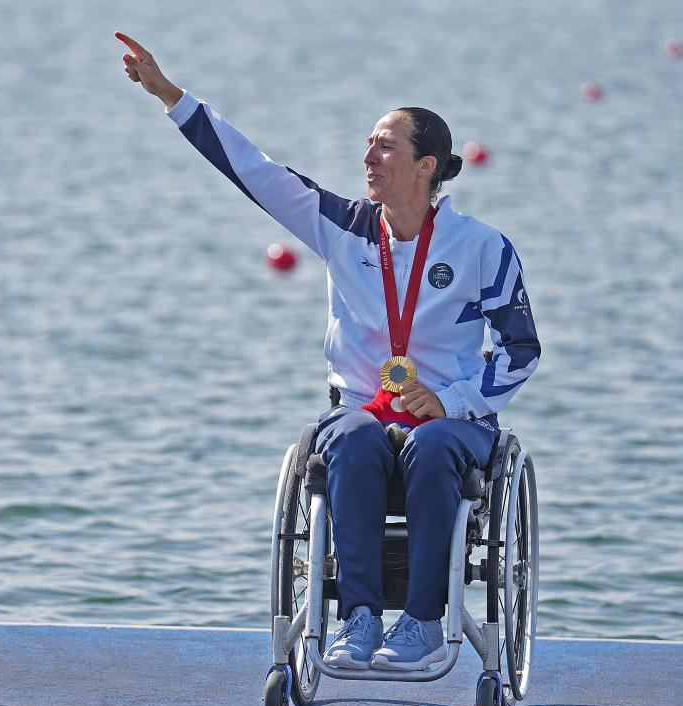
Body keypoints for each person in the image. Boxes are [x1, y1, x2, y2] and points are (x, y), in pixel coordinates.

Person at [116, 32, 541, 672]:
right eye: (368, 143)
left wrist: (452, 400)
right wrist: (169, 94)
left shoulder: (483, 248)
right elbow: (254, 169)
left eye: (385, 145)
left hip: (452, 423)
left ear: (426, 165)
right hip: (360, 411)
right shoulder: (340, 226)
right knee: (355, 438)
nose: (368, 156)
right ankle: (358, 619)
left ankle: (423, 623)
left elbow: (520, 350)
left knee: (432, 446)